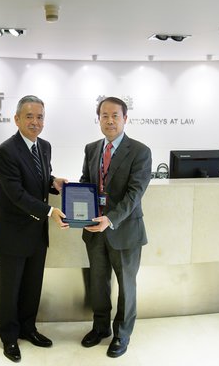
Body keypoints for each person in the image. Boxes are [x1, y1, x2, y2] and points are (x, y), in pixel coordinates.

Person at [0, 95, 68, 363]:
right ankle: (9, 337)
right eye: (29, 116)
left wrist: (53, 182)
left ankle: (28, 328)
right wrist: (50, 211)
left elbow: (37, 178)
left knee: (33, 286)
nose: (35, 122)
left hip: (36, 233)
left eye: (40, 117)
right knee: (10, 289)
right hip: (11, 233)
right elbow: (16, 193)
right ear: (17, 119)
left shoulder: (44, 146)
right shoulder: (6, 150)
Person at [79, 96, 152, 358]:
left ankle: (122, 334)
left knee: (126, 286)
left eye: (115, 116)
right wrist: (77, 211)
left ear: (125, 118)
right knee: (98, 283)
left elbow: (135, 194)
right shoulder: (91, 149)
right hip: (94, 229)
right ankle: (100, 328)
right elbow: (86, 183)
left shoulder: (140, 151)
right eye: (104, 116)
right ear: (98, 119)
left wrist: (110, 219)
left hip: (124, 230)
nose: (109, 120)